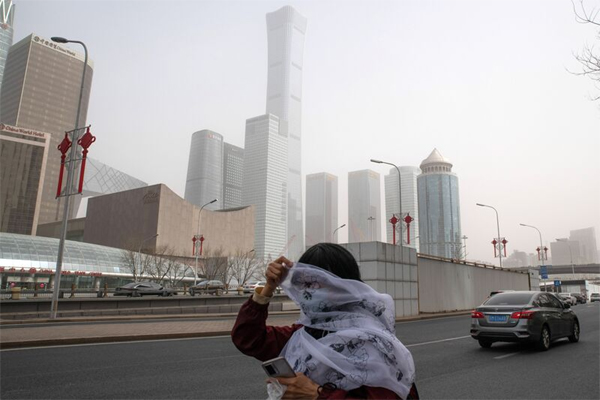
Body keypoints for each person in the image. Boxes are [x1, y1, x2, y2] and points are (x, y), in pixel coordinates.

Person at [232, 243, 418, 399]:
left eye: (322, 284)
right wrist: (268, 288)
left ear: (346, 285)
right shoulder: (303, 334)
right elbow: (248, 338)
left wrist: (317, 394)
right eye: (306, 284)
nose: (312, 293)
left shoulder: (374, 342)